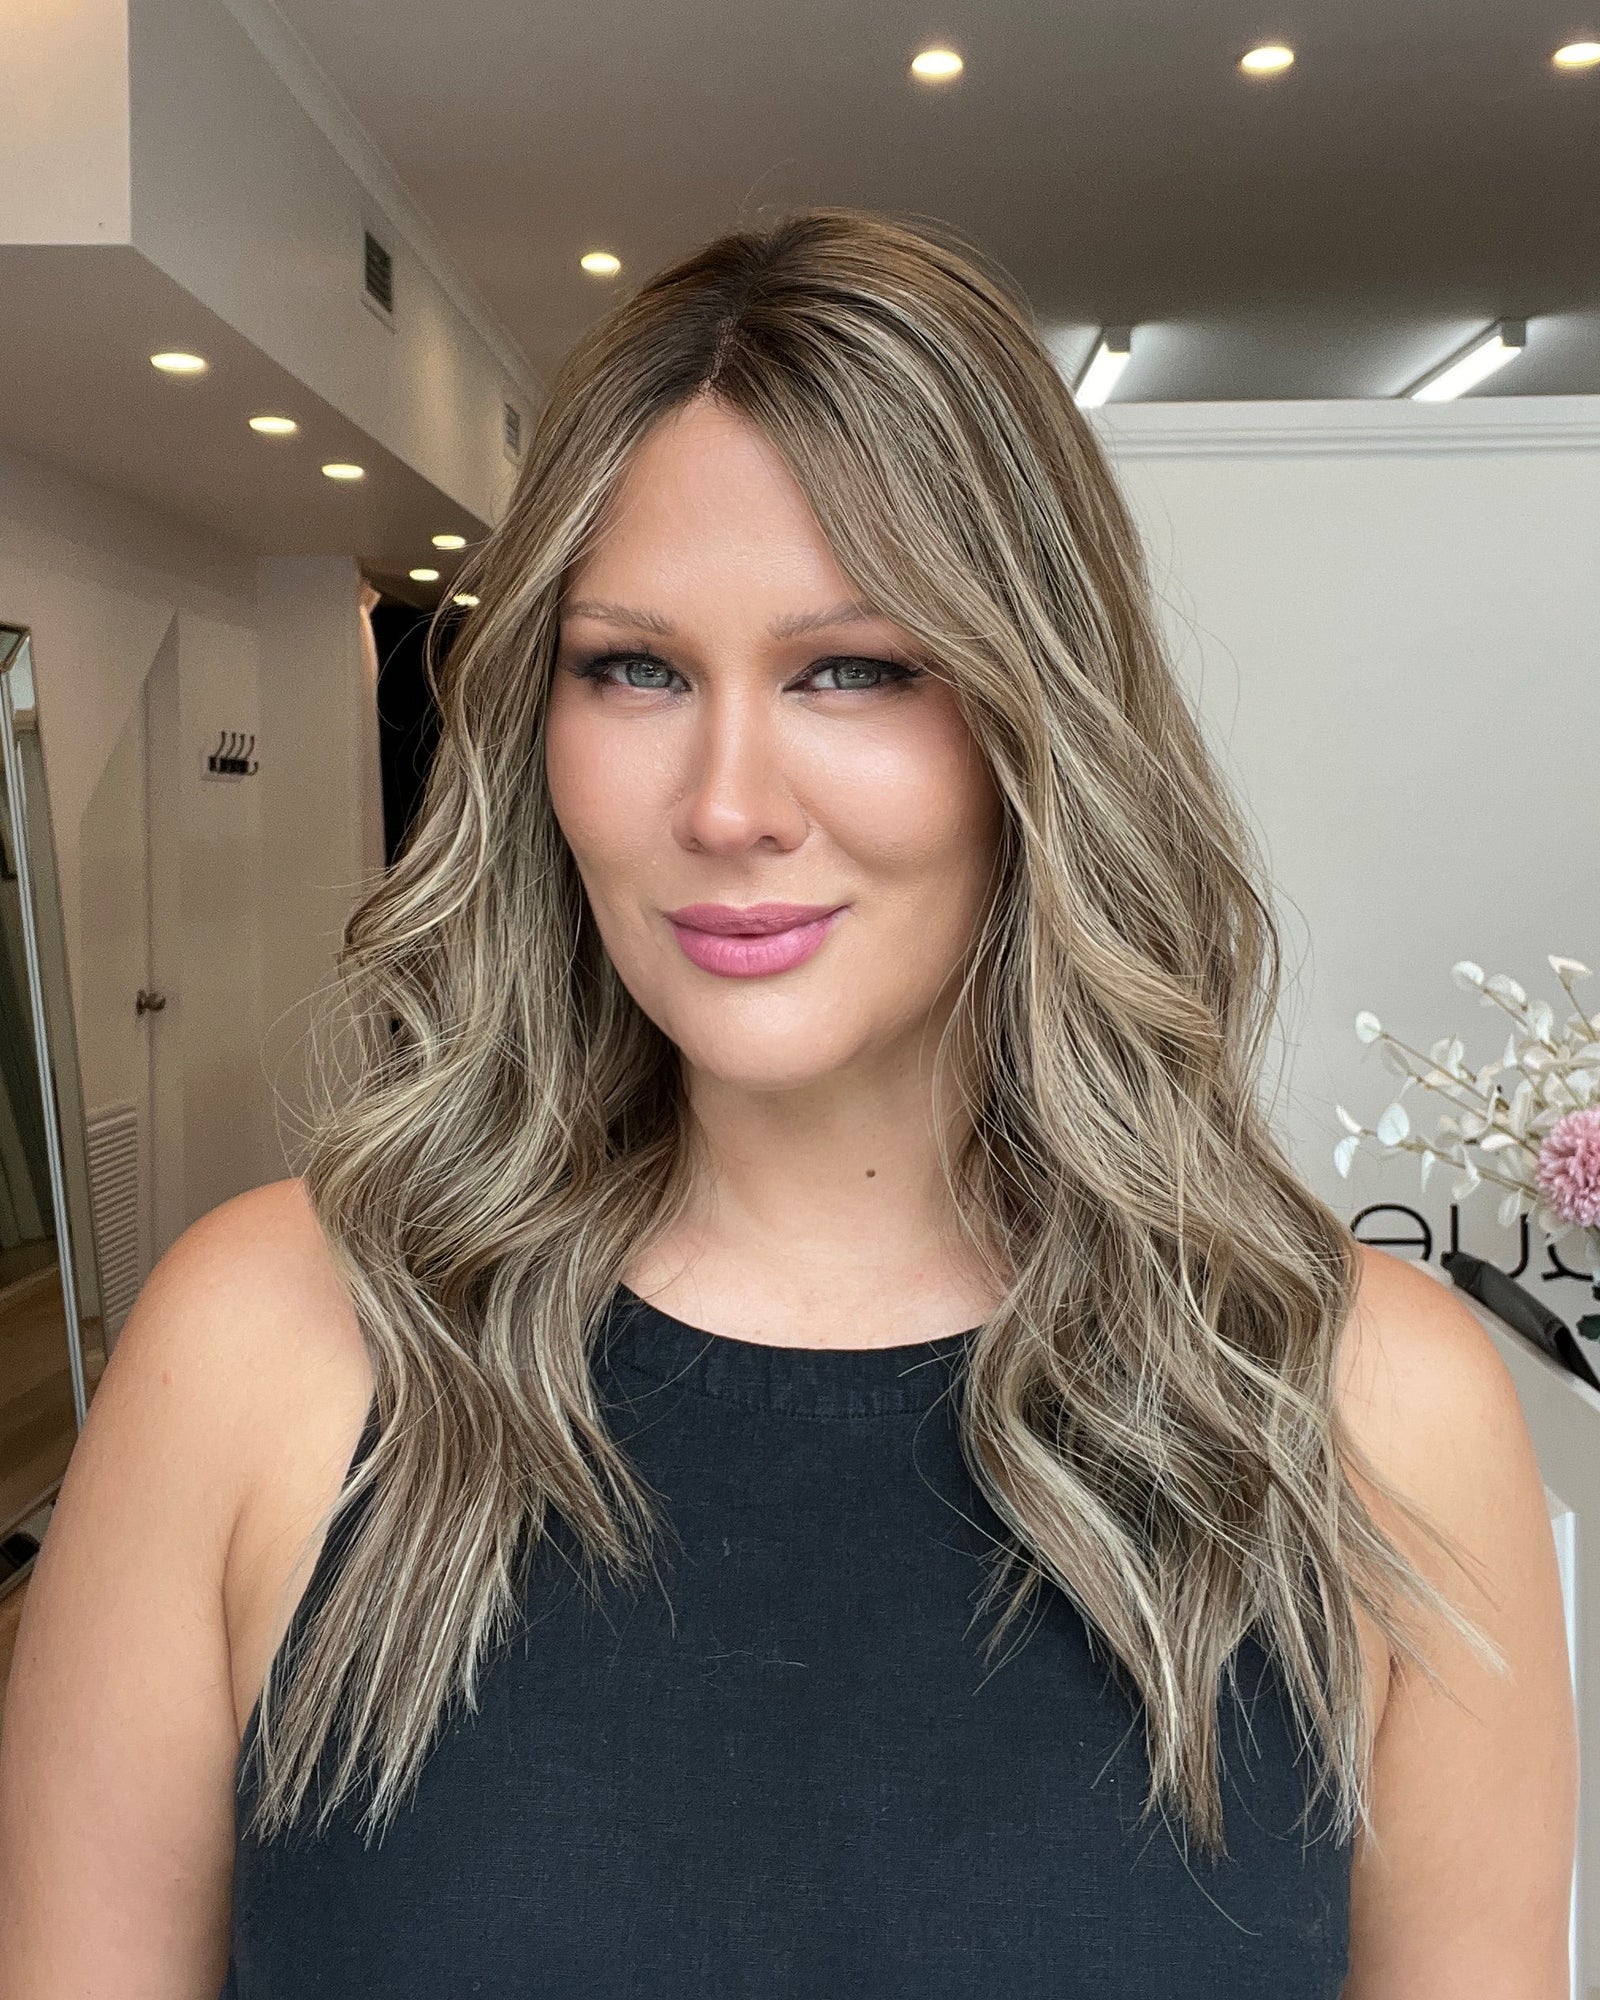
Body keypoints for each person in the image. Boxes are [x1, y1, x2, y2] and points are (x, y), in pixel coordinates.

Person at [0, 207, 1575, 1997]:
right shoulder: (259, 1348)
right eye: (635, 668)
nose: (726, 804)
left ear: (1037, 724)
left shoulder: (1373, 1416)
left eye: (853, 668)